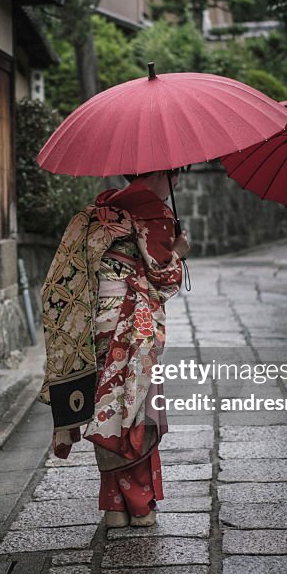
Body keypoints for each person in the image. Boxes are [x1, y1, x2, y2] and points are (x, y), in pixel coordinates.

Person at [40, 170, 189, 527]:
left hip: (97, 320)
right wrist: (180, 253)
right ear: (163, 172)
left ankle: (114, 507)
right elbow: (161, 279)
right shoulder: (156, 213)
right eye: (178, 174)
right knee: (134, 407)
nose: (180, 183)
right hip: (132, 320)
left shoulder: (102, 208)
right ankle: (139, 506)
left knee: (105, 405)